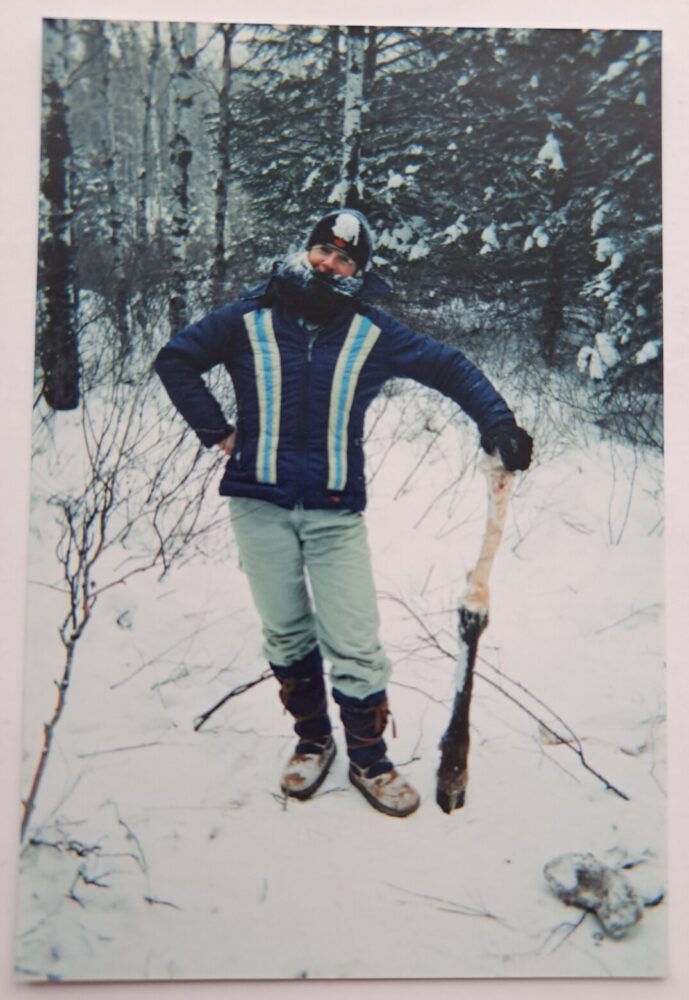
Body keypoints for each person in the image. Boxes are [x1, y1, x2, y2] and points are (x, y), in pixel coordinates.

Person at [154, 208, 532, 819]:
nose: (329, 264)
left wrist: (499, 423)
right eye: (321, 251)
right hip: (258, 505)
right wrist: (216, 430)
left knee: (355, 641)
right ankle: (312, 741)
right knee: (285, 631)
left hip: (334, 513)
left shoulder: (371, 333)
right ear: (304, 252)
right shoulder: (248, 317)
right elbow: (175, 359)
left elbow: (450, 367)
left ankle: (369, 759)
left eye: (345, 259)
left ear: (359, 272)